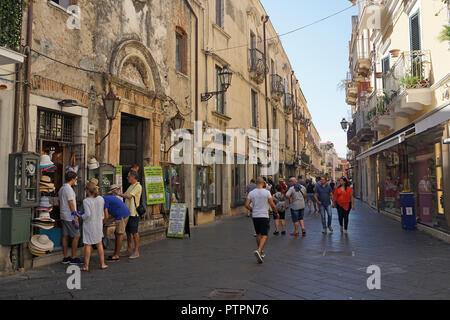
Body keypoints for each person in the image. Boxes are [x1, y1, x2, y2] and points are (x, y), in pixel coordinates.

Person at [245, 177, 278, 264]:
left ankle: (261, 251)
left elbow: (246, 204)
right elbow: (272, 204)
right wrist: (276, 212)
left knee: (258, 234)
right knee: (265, 234)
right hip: (264, 215)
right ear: (263, 183)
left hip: (255, 216)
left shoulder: (251, 193)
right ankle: (259, 250)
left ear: (256, 183)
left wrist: (252, 210)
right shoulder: (267, 192)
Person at [80, 182, 107, 271]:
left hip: (89, 224)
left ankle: (86, 266)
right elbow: (102, 213)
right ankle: (102, 264)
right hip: (98, 224)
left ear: (87, 190)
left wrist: (81, 216)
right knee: (99, 244)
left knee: (88, 245)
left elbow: (88, 214)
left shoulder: (86, 201)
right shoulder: (101, 199)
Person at [59, 171, 82, 265]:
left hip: (63, 214)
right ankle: (73, 257)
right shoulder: (68, 189)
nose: (75, 181)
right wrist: (75, 217)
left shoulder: (62, 188)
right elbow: (71, 203)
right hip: (69, 216)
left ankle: (65, 256)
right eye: (75, 179)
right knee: (76, 236)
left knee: (65, 236)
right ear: (72, 179)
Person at [103, 186, 131, 262]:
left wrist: (101, 224)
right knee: (117, 233)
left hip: (122, 215)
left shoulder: (104, 200)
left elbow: (106, 216)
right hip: (122, 213)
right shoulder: (107, 198)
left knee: (119, 234)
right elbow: (110, 213)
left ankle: (116, 255)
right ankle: (115, 253)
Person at [120, 170, 142, 259]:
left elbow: (129, 196)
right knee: (128, 232)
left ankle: (136, 250)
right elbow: (126, 195)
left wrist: (119, 194)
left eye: (129, 177)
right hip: (127, 212)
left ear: (133, 177)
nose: (127, 178)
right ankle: (128, 249)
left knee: (134, 232)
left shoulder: (138, 186)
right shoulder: (131, 186)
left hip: (134, 213)